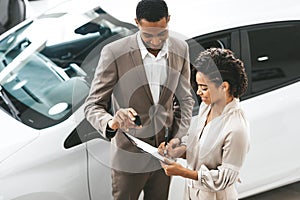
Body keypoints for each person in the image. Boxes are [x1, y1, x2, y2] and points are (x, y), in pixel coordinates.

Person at [84, 0, 194, 199]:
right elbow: (93, 105)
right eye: (147, 35)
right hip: (128, 160)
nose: (155, 41)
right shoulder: (114, 53)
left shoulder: (181, 49)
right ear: (136, 23)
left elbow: (185, 101)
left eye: (162, 33)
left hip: (164, 158)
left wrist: (177, 137)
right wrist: (112, 122)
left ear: (168, 20)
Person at [159, 48, 250, 199]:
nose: (199, 92)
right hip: (193, 194)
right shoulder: (207, 106)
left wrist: (183, 172)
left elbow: (225, 178)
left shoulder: (236, 128)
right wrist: (178, 150)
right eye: (198, 86)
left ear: (224, 86)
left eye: (204, 88)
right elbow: (200, 149)